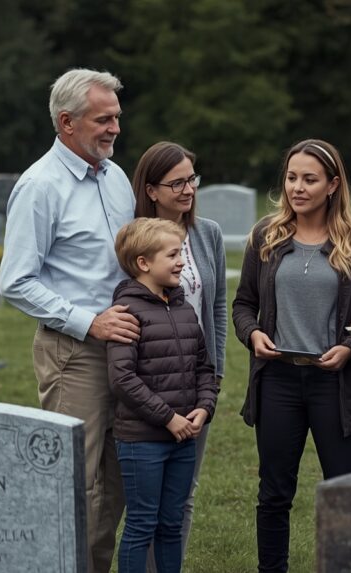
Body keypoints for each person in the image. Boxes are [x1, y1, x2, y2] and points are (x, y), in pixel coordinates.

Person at [0, 68, 139, 573]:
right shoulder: (40, 186)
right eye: (104, 119)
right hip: (74, 352)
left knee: (120, 480)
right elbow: (16, 280)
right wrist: (89, 322)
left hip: (128, 351)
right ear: (67, 123)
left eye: (117, 118)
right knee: (75, 482)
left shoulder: (116, 177)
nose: (115, 129)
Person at [232, 139, 351, 572]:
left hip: (336, 383)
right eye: (292, 177)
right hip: (278, 380)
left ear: (333, 185)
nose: (297, 188)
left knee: (343, 492)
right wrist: (254, 334)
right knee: (274, 493)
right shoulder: (266, 236)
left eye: (310, 180)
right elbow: (242, 303)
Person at [131, 142, 226, 568]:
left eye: (192, 179)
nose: (189, 189)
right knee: (145, 506)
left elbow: (218, 304)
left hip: (196, 384)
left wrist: (216, 376)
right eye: (177, 183)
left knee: (182, 498)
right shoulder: (135, 237)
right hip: (148, 385)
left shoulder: (208, 235)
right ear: (151, 190)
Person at [108, 217, 219, 573]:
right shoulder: (126, 314)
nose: (182, 261)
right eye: (172, 254)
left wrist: (204, 407)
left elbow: (204, 366)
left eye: (181, 253)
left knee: (172, 524)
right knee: (142, 524)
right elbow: (122, 379)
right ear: (144, 263)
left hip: (184, 437)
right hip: (142, 441)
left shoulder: (185, 309)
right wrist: (168, 418)